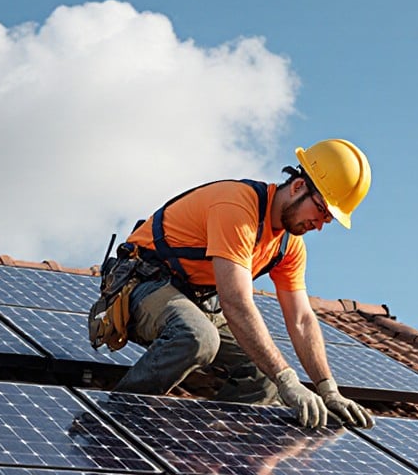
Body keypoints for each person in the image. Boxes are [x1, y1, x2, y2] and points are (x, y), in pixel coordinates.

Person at [104, 138, 375, 430]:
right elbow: (235, 303)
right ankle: (112, 424)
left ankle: (207, 451)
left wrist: (328, 388)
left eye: (329, 219)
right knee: (198, 337)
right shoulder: (238, 206)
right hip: (139, 284)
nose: (320, 224)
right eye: (321, 210)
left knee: (265, 375)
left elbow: (301, 319)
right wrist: (288, 379)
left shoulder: (289, 246)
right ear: (298, 187)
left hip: (193, 301)